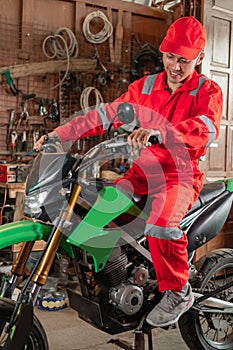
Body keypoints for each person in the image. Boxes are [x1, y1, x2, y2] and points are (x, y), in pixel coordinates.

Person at [35, 16, 223, 327]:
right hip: (140, 174)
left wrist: (160, 132)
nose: (176, 67)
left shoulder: (207, 91)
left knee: (161, 223)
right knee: (96, 214)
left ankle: (178, 290)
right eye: (171, 57)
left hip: (179, 176)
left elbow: (206, 129)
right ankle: (114, 278)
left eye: (185, 61)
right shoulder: (144, 87)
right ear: (163, 54)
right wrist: (61, 135)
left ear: (199, 59)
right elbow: (105, 115)